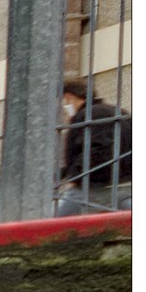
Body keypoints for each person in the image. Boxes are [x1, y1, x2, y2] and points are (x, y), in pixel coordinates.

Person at [57, 79, 131, 215]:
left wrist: (76, 177)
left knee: (54, 226)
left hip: (94, 187)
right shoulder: (120, 112)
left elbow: (97, 151)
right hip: (126, 184)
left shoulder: (86, 116)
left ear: (68, 97)